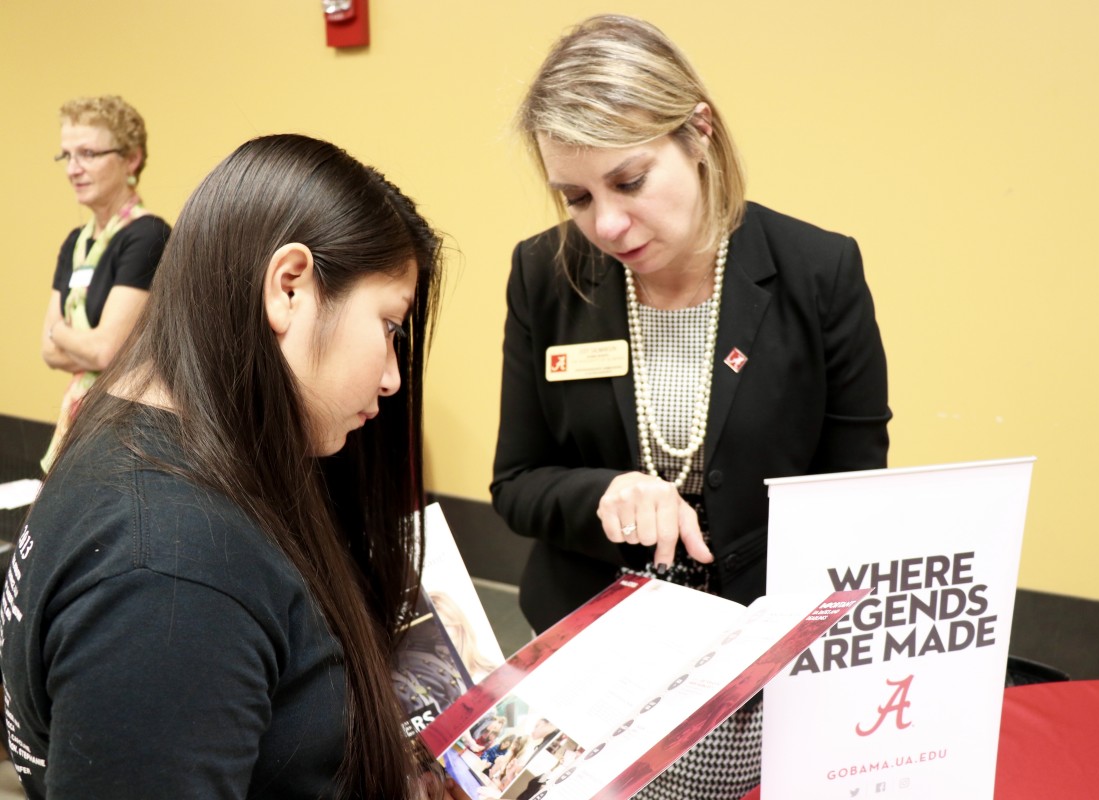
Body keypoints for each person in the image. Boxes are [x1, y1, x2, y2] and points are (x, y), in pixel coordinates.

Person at [490, 14, 890, 799]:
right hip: (588, 655)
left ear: (698, 131)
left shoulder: (817, 271)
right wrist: (603, 490)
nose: (605, 224)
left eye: (629, 181)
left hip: (750, 665)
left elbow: (853, 497)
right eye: (574, 196)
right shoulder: (545, 274)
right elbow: (517, 480)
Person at [1, 134, 465, 800]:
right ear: (290, 288)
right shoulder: (173, 573)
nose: (393, 378)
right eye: (389, 327)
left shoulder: (138, 436)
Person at [40, 95, 171, 471]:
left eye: (88, 154)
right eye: (67, 155)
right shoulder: (75, 243)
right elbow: (46, 352)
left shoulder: (148, 236)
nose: (73, 169)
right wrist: (69, 341)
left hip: (130, 428)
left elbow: (103, 353)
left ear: (131, 159)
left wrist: (59, 331)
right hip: (84, 416)